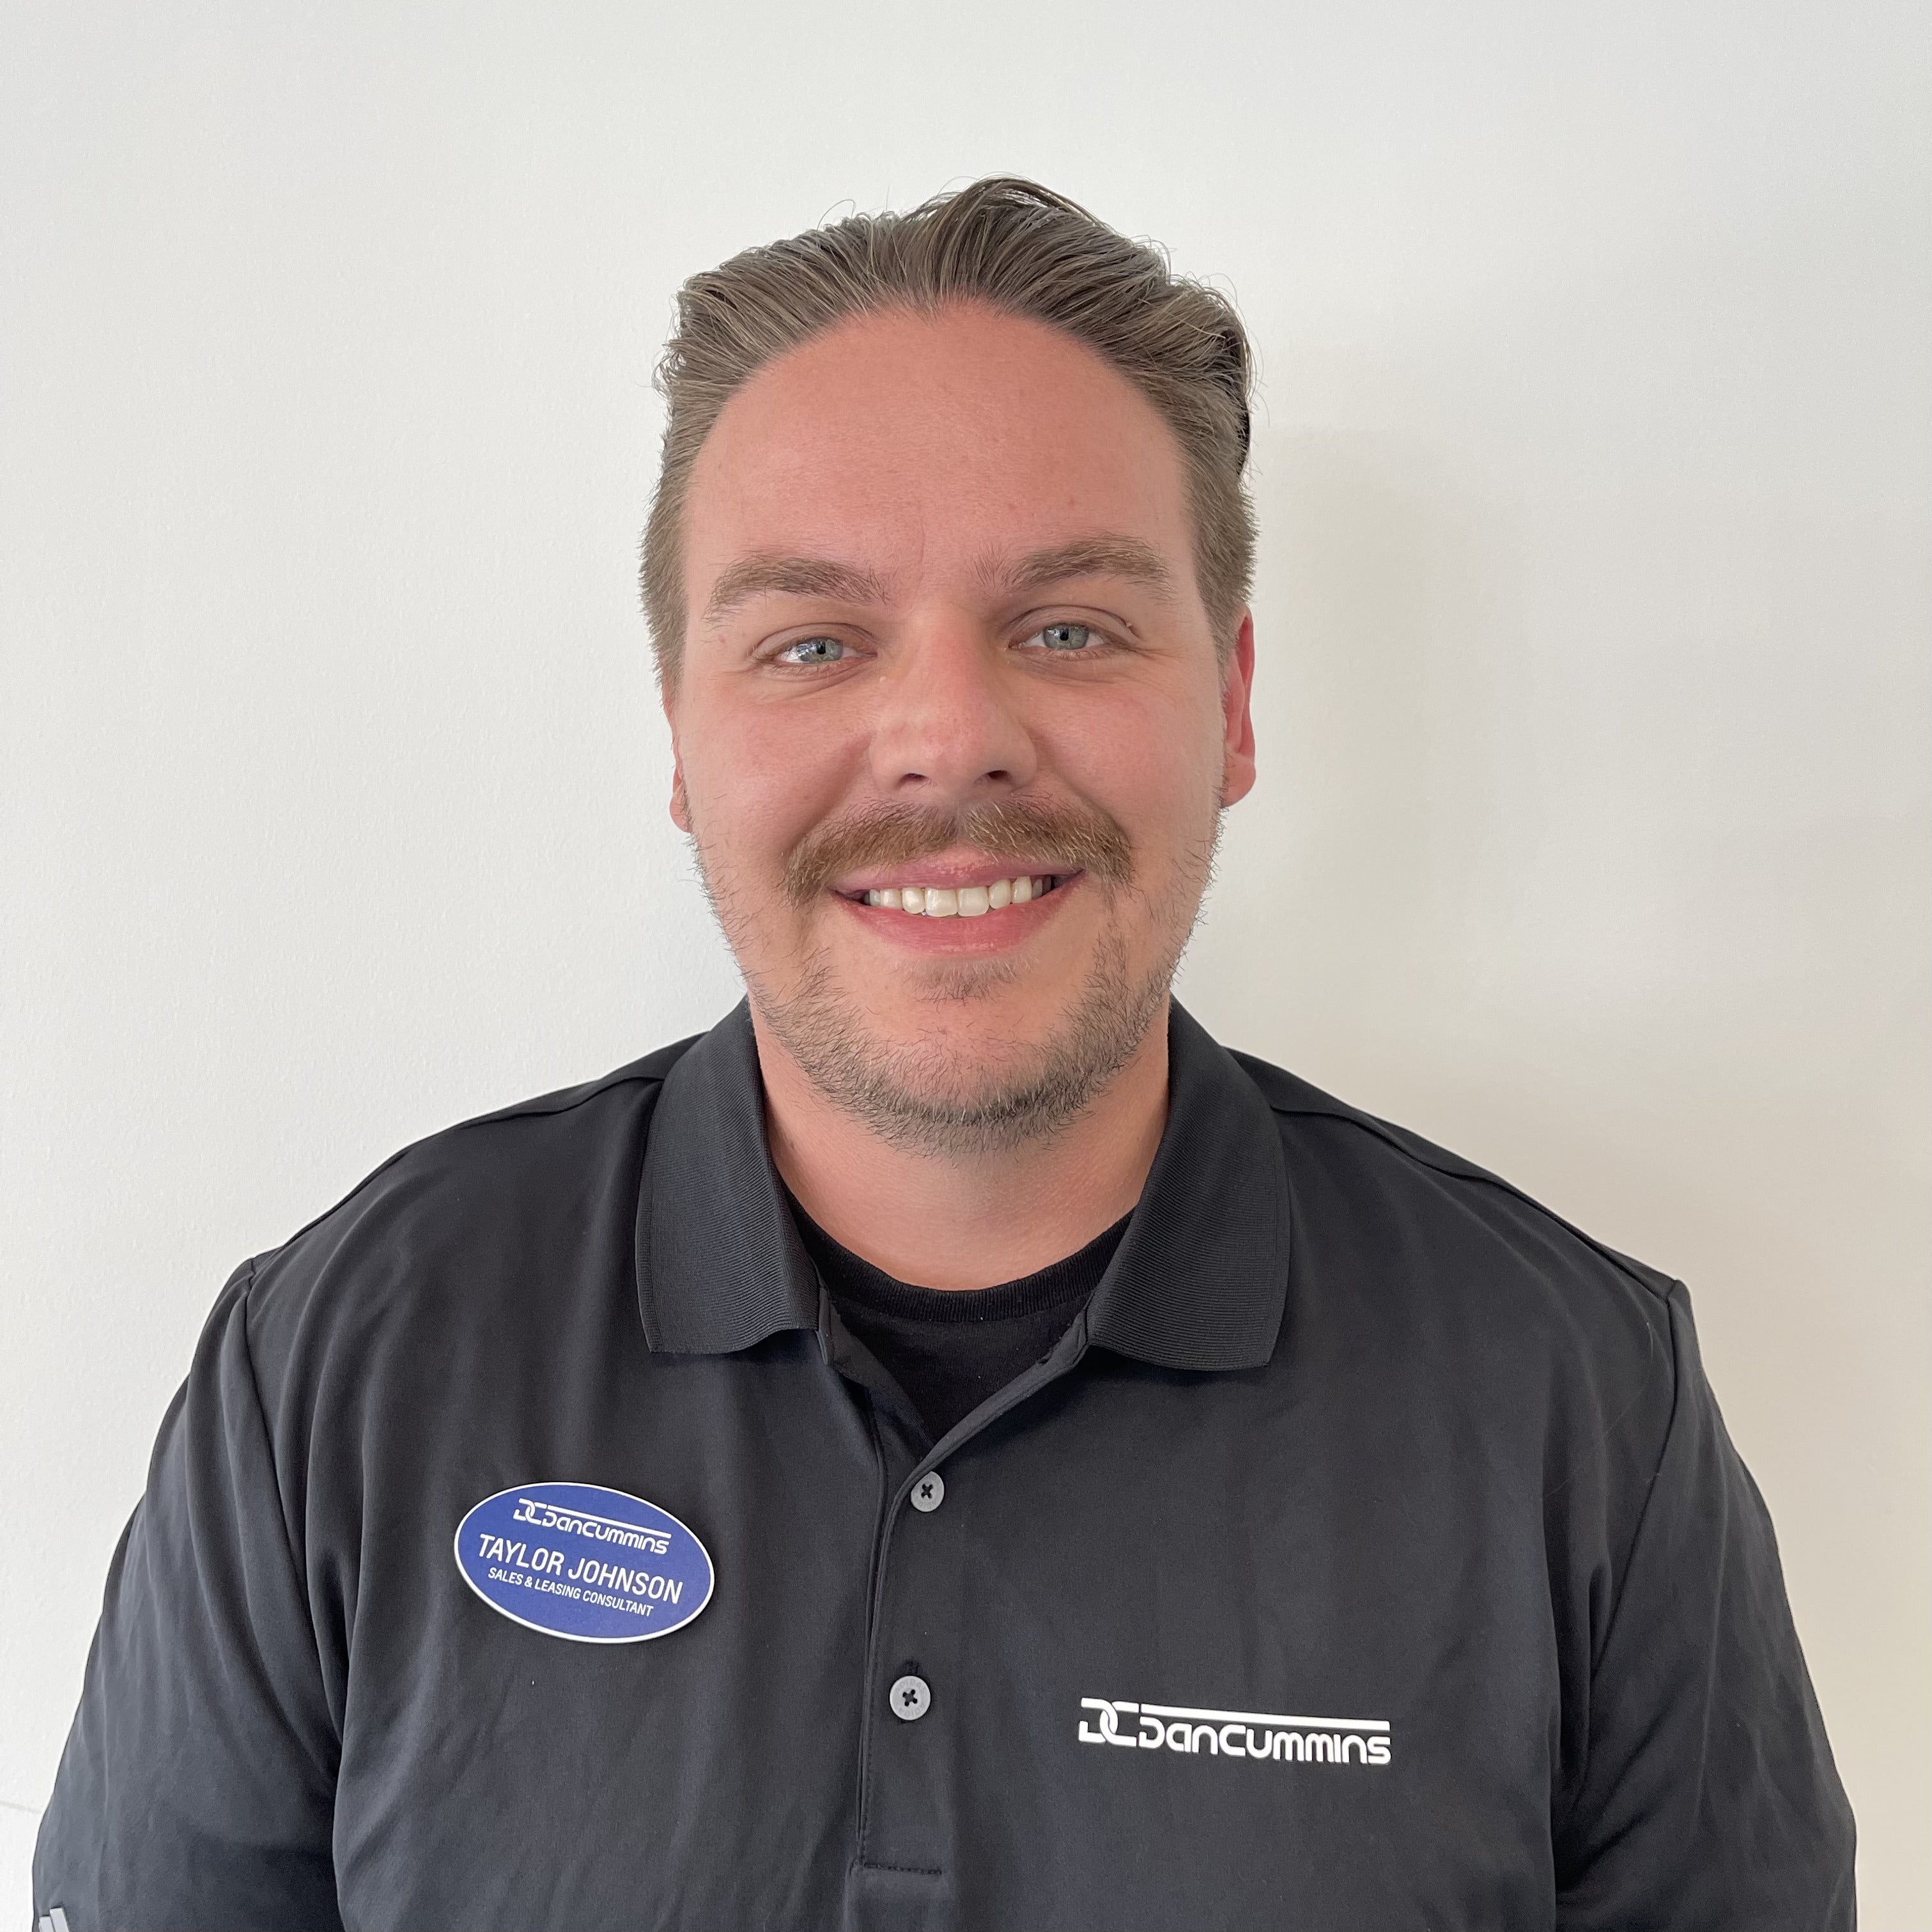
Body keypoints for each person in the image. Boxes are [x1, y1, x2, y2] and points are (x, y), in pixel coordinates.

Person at [34, 177, 1853, 1932]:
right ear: (679, 734)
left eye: (1067, 627)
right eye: (815, 642)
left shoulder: (1577, 1401)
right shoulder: (343, 1364)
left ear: (1229, 705)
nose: (948, 736)